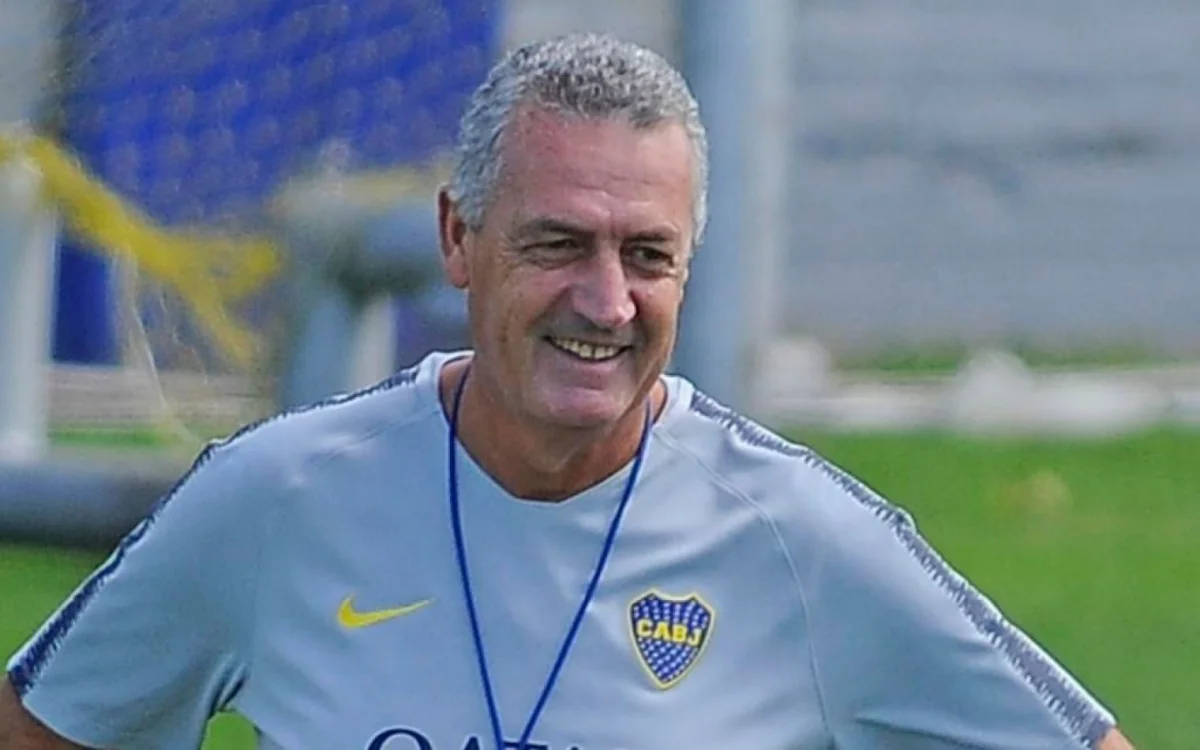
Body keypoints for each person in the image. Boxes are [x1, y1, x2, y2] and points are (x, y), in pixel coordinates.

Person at [2, 33, 1133, 750]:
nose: (606, 301)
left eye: (648, 256)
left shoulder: (801, 538)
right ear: (459, 238)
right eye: (558, 244)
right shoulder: (275, 496)